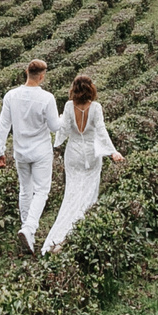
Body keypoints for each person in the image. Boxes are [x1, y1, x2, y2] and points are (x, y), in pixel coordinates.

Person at [41, 72, 123, 255]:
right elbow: (101, 131)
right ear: (91, 89)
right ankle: (77, 230)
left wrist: (61, 120)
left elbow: (64, 128)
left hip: (73, 154)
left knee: (72, 191)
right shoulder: (96, 108)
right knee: (88, 190)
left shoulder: (69, 106)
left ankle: (60, 234)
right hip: (91, 155)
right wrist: (112, 151)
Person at [0, 57, 63, 254]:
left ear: (26, 73)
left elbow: (4, 124)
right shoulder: (47, 98)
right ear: (41, 76)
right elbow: (55, 126)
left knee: (25, 189)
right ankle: (29, 228)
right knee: (41, 191)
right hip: (40, 151)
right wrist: (65, 118)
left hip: (20, 151)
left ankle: (26, 231)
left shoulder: (11, 96)